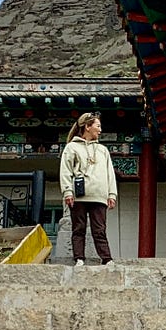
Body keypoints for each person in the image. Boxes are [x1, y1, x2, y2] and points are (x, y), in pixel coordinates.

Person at [60, 113, 118, 265]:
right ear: (87, 126)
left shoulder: (102, 150)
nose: (100, 130)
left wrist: (112, 194)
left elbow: (109, 173)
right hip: (79, 195)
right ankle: (79, 258)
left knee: (99, 229)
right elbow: (66, 171)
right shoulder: (71, 147)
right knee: (78, 228)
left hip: (99, 195)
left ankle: (106, 258)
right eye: (97, 126)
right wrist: (67, 191)